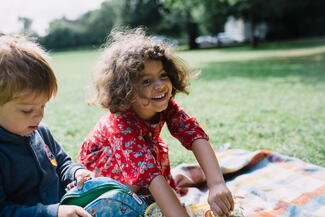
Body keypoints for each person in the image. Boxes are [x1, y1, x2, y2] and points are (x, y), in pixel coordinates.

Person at [78, 28, 234, 217]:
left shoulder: (165, 105)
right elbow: (147, 171)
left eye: (163, 75)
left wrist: (216, 184)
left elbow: (193, 134)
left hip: (140, 163)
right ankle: (139, 202)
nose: (159, 85)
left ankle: (150, 200)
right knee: (145, 165)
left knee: (152, 152)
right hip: (104, 174)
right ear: (125, 89)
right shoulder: (120, 123)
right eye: (146, 81)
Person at [0, 35, 94, 217]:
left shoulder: (39, 130)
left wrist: (76, 172)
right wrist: (53, 212)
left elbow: (62, 163)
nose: (39, 115)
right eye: (27, 110)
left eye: (43, 105)